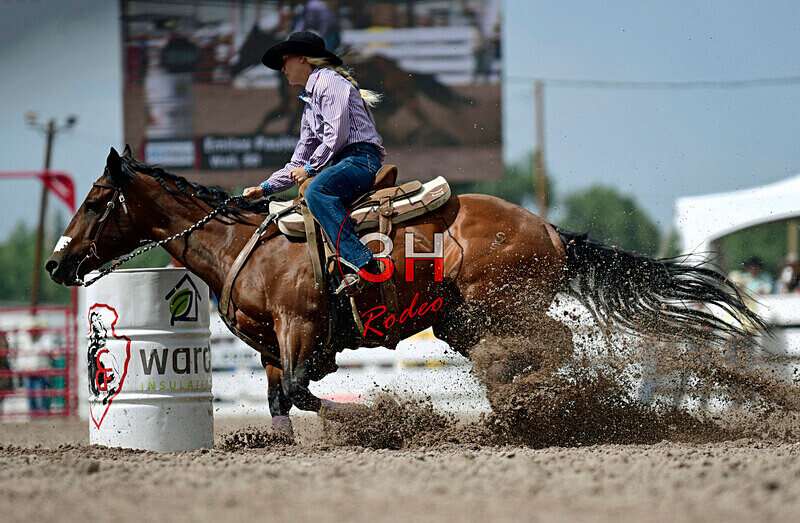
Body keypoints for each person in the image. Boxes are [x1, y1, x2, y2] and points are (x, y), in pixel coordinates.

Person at [243, 31, 385, 295]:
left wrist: (311, 169)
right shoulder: (310, 103)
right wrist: (264, 188)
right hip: (344, 162)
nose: (283, 68)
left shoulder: (328, 83)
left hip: (359, 159)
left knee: (316, 191)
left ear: (303, 59)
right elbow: (299, 158)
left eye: (286, 60)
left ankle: (362, 262)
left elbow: (336, 135)